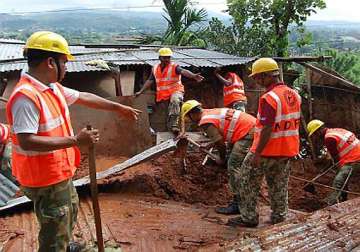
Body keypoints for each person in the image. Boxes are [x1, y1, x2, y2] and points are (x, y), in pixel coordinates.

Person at [6, 31, 141, 252]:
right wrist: (75, 140)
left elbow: (83, 96)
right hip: (44, 177)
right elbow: (27, 141)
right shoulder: (26, 97)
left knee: (69, 209)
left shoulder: (51, 88)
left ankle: (66, 244)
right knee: (55, 225)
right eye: (64, 62)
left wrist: (118, 107)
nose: (67, 67)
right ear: (50, 62)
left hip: (58, 170)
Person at [227, 58, 301, 227]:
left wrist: (257, 153)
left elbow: (267, 128)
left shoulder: (269, 97)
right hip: (287, 150)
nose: (257, 81)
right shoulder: (294, 94)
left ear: (266, 76)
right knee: (279, 185)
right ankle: (279, 216)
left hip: (266, 150)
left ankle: (249, 217)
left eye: (258, 78)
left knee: (246, 181)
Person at [181, 100, 255, 215]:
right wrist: (210, 144)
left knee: (233, 165)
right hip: (249, 127)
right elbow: (221, 134)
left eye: (189, 118)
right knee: (233, 160)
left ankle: (238, 204)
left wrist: (222, 159)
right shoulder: (209, 112)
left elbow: (220, 143)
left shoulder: (205, 122)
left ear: (192, 114)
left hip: (247, 132)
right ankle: (243, 199)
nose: (191, 122)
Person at [135, 48, 204, 134]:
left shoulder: (174, 67)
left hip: (176, 91)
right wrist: (141, 91)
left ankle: (174, 125)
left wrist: (193, 76)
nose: (167, 59)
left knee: (175, 100)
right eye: (165, 57)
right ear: (160, 58)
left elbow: (183, 71)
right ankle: (164, 132)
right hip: (162, 95)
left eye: (169, 57)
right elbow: (150, 80)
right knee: (163, 115)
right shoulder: (155, 68)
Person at [307, 119, 360, 205]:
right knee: (342, 175)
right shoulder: (337, 131)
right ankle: (343, 198)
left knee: (338, 180)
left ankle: (330, 203)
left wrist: (332, 166)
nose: (315, 137)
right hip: (355, 155)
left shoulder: (329, 138)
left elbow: (336, 159)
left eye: (315, 134)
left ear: (318, 131)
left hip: (354, 159)